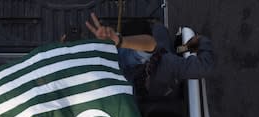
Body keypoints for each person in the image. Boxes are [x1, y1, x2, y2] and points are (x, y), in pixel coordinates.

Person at [85, 13, 214, 99]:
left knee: (161, 36)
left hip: (151, 76)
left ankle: (187, 45)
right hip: (154, 92)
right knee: (160, 31)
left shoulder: (112, 61)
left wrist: (120, 41)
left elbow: (149, 47)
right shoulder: (165, 64)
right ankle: (183, 47)